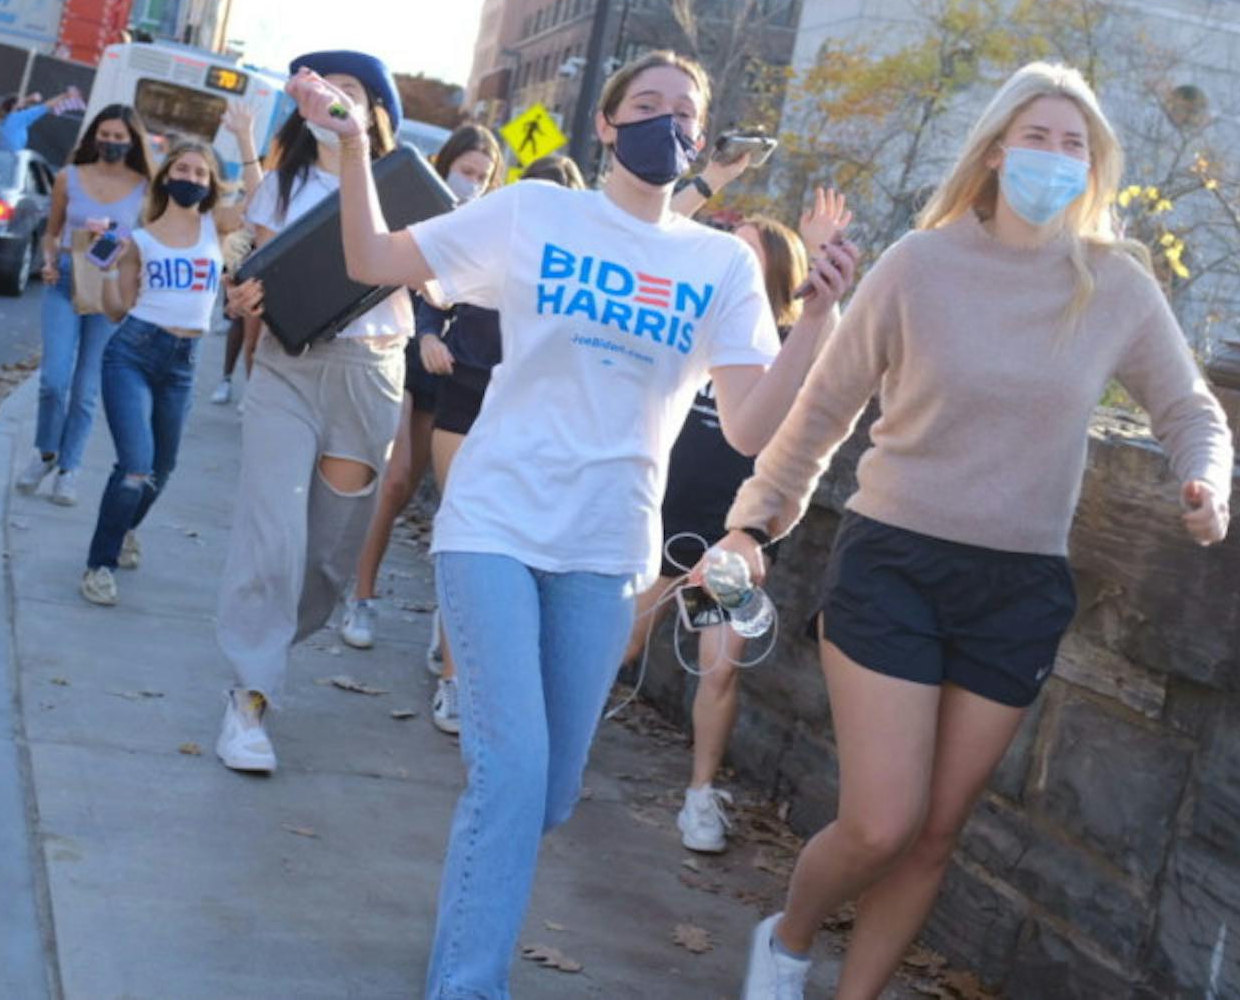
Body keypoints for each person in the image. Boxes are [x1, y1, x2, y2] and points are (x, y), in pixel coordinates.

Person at [304, 50, 858, 998]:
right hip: (494, 522)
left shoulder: (720, 263)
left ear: (701, 139)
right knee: (512, 776)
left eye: (685, 111)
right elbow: (372, 259)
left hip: (607, 549)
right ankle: (467, 984)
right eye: (645, 104)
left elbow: (752, 427)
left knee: (548, 794)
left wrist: (817, 322)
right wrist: (355, 148)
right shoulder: (536, 211)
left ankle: (471, 914)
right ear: (606, 125)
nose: (665, 121)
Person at [719, 62, 1232, 1000]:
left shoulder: (1114, 285)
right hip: (895, 564)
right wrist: (755, 523)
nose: (1055, 157)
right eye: (1037, 137)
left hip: (1018, 588)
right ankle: (787, 941)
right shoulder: (919, 265)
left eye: (1074, 145)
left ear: (1094, 167)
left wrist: (1207, 479)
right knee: (881, 822)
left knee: (933, 834)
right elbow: (824, 412)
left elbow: (1191, 408)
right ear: (995, 152)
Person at [211, 49, 410, 775]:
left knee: (325, 563)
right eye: (322, 89)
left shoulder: (401, 187)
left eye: (348, 90)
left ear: (373, 111)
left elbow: (438, 278)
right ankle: (249, 696)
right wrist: (244, 298)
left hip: (371, 375)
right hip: (288, 370)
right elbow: (267, 280)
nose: (332, 99)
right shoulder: (282, 184)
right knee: (272, 538)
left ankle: (265, 647)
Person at [621, 208, 839, 853]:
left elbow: (837, 359)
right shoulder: (697, 324)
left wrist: (823, 264)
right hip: (658, 525)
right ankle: (552, 752)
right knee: (618, 647)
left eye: (748, 251)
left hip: (729, 543)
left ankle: (700, 797)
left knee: (719, 669)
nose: (731, 258)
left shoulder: (795, 342)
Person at [416, 150, 592, 735]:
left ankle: (462, 642)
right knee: (461, 526)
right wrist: (428, 337)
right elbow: (430, 289)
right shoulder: (493, 242)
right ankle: (453, 680)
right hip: (466, 392)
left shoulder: (578, 270)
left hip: (531, 414)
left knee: (505, 541)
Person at [340, 123, 504, 654]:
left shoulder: (490, 225)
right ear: (445, 164)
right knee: (394, 479)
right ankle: (361, 596)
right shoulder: (418, 204)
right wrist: (428, 328)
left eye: (482, 176)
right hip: (403, 346)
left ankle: (444, 621)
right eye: (465, 171)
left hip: (450, 364)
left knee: (421, 491)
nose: (471, 183)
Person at [78, 127, 259, 606]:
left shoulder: (216, 227)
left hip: (182, 363)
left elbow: (262, 203)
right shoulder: (138, 239)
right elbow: (116, 311)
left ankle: (124, 528)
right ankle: (99, 565)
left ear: (211, 183)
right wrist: (107, 269)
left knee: (163, 467)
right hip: (133, 353)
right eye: (183, 169)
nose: (191, 178)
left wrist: (245, 140)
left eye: (201, 173)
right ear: (165, 177)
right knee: (135, 467)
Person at [16, 106, 152, 506]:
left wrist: (119, 239)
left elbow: (148, 240)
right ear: (94, 136)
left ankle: (69, 469)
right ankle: (45, 453)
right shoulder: (68, 177)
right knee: (53, 379)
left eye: (119, 136)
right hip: (64, 280)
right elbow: (52, 232)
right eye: (104, 134)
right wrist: (47, 261)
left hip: (108, 288)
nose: (111, 142)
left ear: (132, 141)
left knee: (86, 389)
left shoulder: (144, 187)